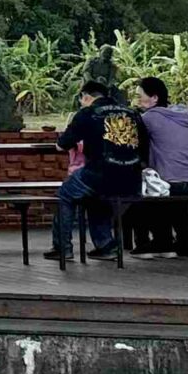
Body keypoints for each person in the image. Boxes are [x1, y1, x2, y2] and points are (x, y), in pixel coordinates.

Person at [49, 78, 145, 262]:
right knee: (95, 198)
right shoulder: (132, 114)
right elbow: (143, 147)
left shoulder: (88, 113)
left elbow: (62, 144)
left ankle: (63, 248)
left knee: (65, 195)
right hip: (132, 179)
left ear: (85, 97)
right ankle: (106, 246)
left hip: (99, 174)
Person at [131, 74, 188, 259]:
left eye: (140, 96)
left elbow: (137, 145)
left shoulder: (149, 118)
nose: (137, 100)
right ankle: (184, 239)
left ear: (154, 98)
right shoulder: (186, 114)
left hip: (175, 180)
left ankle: (161, 241)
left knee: (145, 191)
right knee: (175, 192)